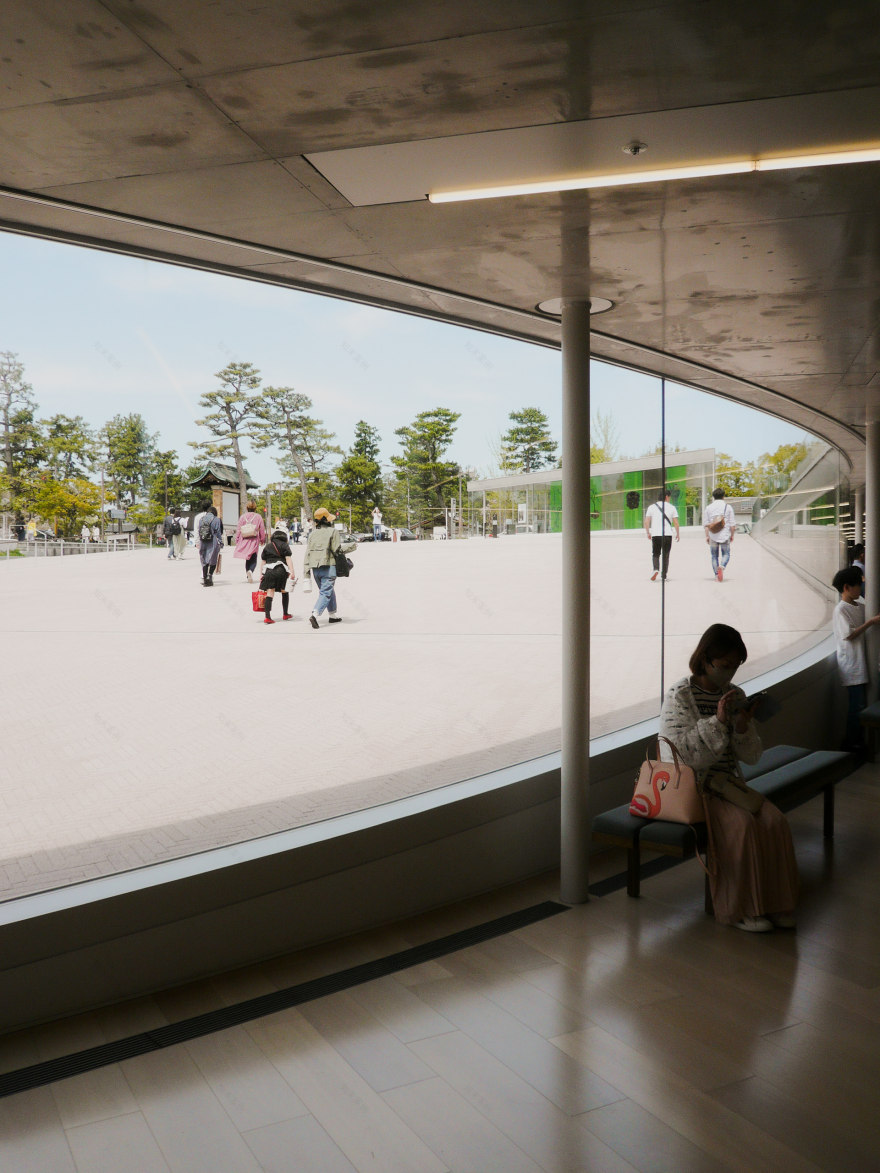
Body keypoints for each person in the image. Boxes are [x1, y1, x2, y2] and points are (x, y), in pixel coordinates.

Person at [659, 623, 799, 932]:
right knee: (743, 825)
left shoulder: (735, 694)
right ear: (706, 659)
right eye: (724, 666)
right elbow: (680, 756)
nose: (730, 673)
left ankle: (776, 904)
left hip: (729, 784)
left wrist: (741, 727)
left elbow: (751, 756)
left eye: (735, 666)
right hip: (697, 788)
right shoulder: (680, 695)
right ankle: (742, 909)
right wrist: (718, 721)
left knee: (775, 822)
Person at [831, 566, 880, 752]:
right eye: (858, 585)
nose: (861, 588)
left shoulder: (859, 606)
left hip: (861, 665)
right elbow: (849, 634)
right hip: (852, 666)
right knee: (856, 707)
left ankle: (856, 741)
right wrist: (871, 622)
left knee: (860, 705)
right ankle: (852, 744)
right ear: (846, 587)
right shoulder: (840, 610)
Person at [303, 507, 356, 628]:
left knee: (327, 590)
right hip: (329, 566)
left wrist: (306, 574)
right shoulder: (333, 532)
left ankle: (332, 615)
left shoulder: (312, 535)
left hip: (315, 568)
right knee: (326, 592)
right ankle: (315, 614)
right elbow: (337, 550)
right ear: (327, 520)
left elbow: (307, 554)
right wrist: (352, 546)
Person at [258, 524, 297, 624]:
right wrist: (292, 572)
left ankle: (267, 617)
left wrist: (261, 574)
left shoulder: (268, 546)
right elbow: (288, 558)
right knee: (284, 591)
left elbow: (263, 561)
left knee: (270, 593)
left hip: (269, 571)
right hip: (281, 570)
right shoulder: (284, 545)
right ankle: (285, 614)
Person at [643, 489, 679, 581]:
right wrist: (677, 534)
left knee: (655, 553)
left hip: (656, 535)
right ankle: (664, 576)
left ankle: (655, 569)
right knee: (666, 555)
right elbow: (676, 523)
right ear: (666, 497)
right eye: (669, 497)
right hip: (667, 535)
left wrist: (648, 532)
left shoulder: (651, 507)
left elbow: (646, 522)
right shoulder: (672, 507)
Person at [703, 487, 736, 582]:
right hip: (725, 534)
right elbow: (732, 524)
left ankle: (716, 575)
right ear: (723, 496)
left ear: (713, 497)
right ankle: (722, 566)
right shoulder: (728, 507)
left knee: (714, 556)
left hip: (713, 535)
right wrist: (732, 535)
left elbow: (706, 524)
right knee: (726, 554)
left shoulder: (708, 508)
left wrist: (707, 536)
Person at [234, 499, 267, 583]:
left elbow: (238, 529)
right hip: (254, 539)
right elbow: (262, 529)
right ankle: (251, 571)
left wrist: (237, 540)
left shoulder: (242, 517)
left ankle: (248, 572)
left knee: (247, 559)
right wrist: (263, 539)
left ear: (247, 507)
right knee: (253, 558)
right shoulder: (258, 517)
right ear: (255, 508)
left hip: (244, 539)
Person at [197, 505, 223, 586]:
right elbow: (218, 532)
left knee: (204, 560)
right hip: (213, 540)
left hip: (203, 540)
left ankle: (204, 578)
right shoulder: (216, 519)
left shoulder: (201, 519)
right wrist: (221, 542)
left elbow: (199, 530)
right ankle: (210, 576)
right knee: (213, 559)